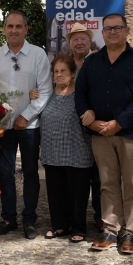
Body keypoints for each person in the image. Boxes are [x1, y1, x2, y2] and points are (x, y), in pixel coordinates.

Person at [75, 13, 133, 254]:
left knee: (132, 184)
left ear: (127, 31)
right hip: (100, 134)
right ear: (102, 33)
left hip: (131, 133)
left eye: (117, 28)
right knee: (107, 184)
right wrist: (92, 122)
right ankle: (110, 229)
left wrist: (119, 122)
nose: (112, 32)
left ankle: (130, 232)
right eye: (108, 29)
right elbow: (80, 95)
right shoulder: (92, 62)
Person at [0, 11, 52, 240]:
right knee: (4, 172)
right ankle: (9, 218)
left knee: (31, 173)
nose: (14, 30)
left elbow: (45, 90)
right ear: (4, 29)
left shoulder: (38, 55)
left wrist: (27, 115)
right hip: (4, 126)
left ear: (26, 29)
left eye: (18, 26)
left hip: (29, 126)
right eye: (10, 26)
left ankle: (29, 219)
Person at [40, 55, 93, 242]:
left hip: (77, 152)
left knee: (77, 193)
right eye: (56, 71)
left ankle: (79, 228)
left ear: (72, 73)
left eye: (64, 71)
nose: (59, 75)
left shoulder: (81, 95)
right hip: (52, 151)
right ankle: (59, 225)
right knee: (55, 192)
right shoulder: (46, 95)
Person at [66, 21, 103, 232]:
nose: (79, 43)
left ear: (90, 41)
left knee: (98, 175)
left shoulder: (99, 60)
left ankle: (100, 216)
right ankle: (76, 217)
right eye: (75, 39)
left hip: (94, 125)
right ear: (70, 43)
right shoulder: (66, 64)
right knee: (76, 175)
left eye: (83, 39)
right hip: (71, 127)